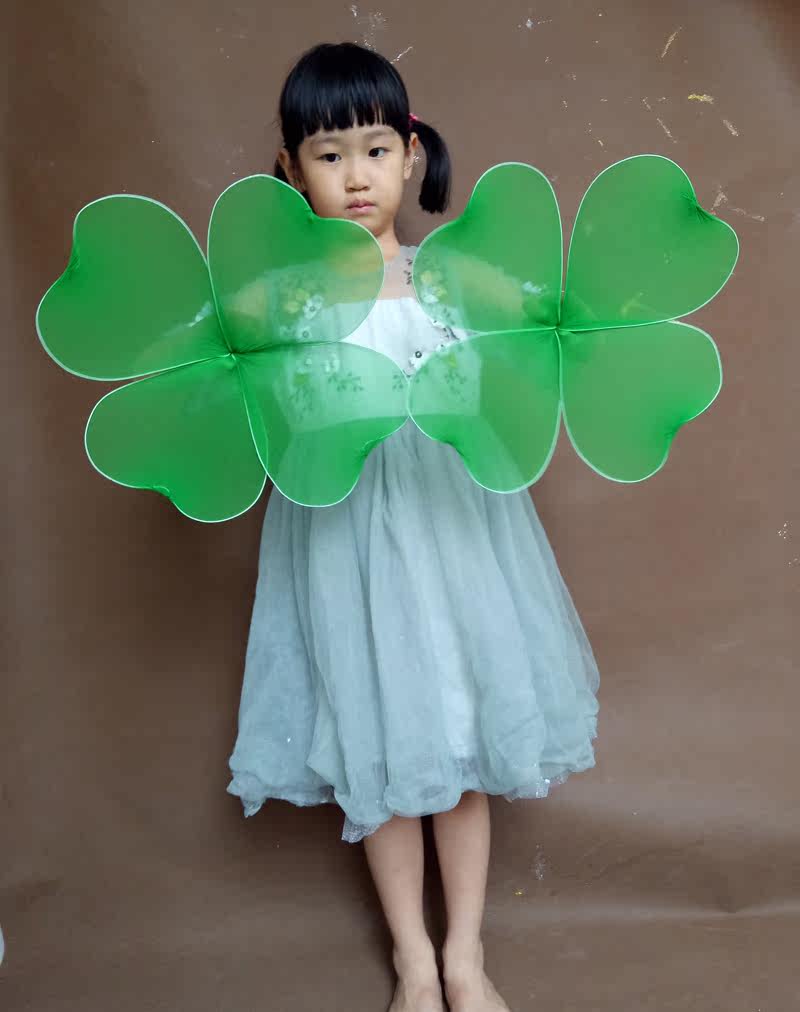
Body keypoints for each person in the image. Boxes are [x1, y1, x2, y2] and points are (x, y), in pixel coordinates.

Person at [227, 40, 600, 1012]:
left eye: (375, 150)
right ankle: (413, 961)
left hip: (449, 537)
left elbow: (514, 373)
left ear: (411, 155)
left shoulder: (448, 280)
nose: (356, 175)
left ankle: (465, 955)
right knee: (379, 743)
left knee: (460, 737)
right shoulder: (287, 303)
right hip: (347, 545)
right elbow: (249, 400)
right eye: (328, 155)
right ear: (290, 171)